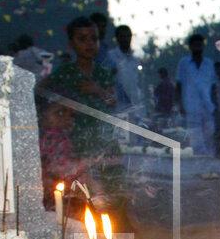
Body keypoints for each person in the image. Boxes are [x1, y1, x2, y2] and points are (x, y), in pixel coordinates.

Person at [40, 16, 117, 158]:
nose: (89, 44)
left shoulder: (103, 74)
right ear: (71, 44)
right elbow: (43, 95)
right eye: (82, 39)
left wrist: (98, 90)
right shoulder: (63, 73)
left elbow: (112, 101)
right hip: (70, 142)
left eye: (94, 39)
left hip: (100, 138)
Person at [176, 33, 218, 157]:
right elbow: (178, 85)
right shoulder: (183, 63)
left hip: (208, 106)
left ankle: (210, 163)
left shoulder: (209, 63)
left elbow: (213, 86)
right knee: (196, 137)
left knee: (210, 134)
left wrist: (215, 104)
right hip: (191, 106)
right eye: (195, 45)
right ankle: (199, 165)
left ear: (203, 46)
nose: (197, 47)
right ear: (190, 47)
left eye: (199, 44)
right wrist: (180, 105)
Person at [106, 25, 144, 116]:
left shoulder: (135, 60)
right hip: (116, 107)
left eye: (128, 36)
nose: (126, 39)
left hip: (134, 107)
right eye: (123, 36)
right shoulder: (110, 57)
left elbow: (138, 83)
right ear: (117, 38)